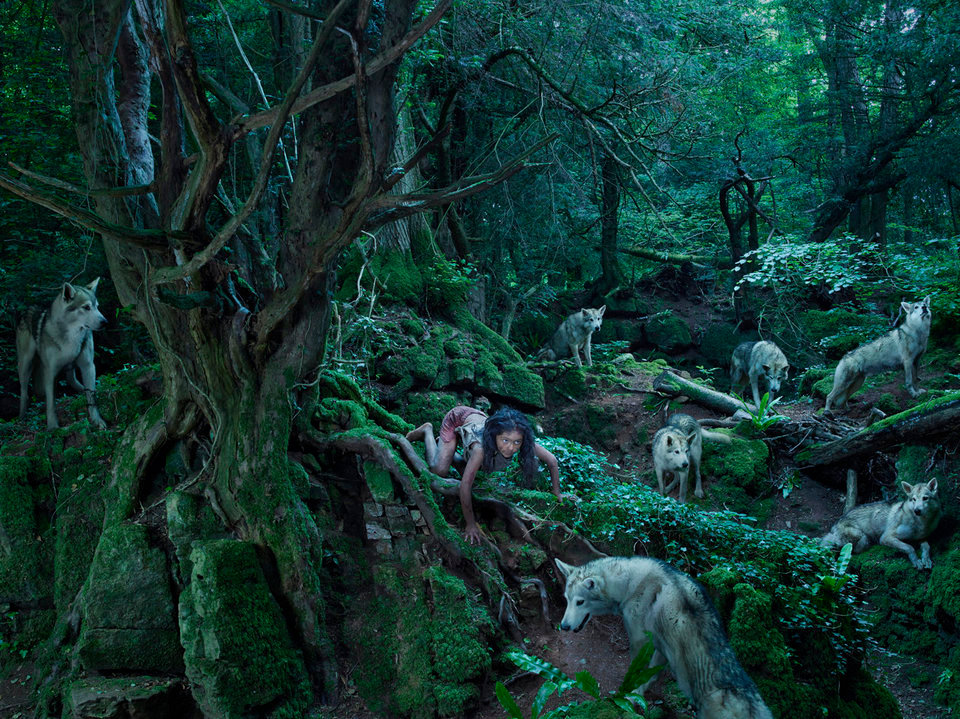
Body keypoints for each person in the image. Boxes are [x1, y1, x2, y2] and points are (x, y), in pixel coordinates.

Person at [406, 406, 562, 545]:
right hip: (457, 418)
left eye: (517, 442)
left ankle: (448, 450)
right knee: (438, 470)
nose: (510, 448)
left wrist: (557, 492)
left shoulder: (515, 435)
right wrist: (471, 524)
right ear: (495, 436)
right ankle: (427, 431)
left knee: (481, 468)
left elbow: (552, 460)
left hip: (477, 419)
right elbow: (464, 486)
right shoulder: (481, 448)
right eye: (505, 440)